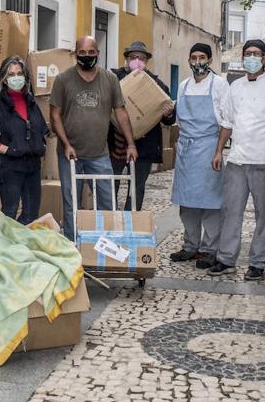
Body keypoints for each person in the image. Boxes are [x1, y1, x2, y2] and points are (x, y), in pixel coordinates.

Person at [50, 35, 138, 240]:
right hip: (70, 155)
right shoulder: (63, 80)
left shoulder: (110, 79)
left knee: (107, 203)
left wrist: (131, 144)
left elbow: (121, 112)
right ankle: (73, 244)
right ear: (75, 54)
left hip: (99, 154)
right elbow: (54, 115)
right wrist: (66, 144)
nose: (87, 56)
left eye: (91, 52)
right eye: (82, 52)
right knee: (72, 203)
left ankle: (108, 244)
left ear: (98, 53)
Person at [209, 39, 265, 281]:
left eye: (256, 54)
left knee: (264, 215)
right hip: (237, 161)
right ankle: (225, 259)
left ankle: (257, 263)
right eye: (248, 54)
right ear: (242, 58)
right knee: (231, 212)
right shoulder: (235, 87)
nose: (251, 58)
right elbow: (227, 122)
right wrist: (219, 151)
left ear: (264, 58)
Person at [168, 43, 231, 269]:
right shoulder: (183, 86)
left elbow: (227, 121)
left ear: (210, 60)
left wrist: (219, 151)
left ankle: (209, 249)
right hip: (186, 149)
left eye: (202, 57)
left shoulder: (220, 85)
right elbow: (178, 120)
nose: (197, 62)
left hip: (208, 148)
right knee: (187, 202)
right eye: (193, 57)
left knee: (211, 202)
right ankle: (190, 246)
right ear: (189, 60)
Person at [0, 56, 49, 223]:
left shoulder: (32, 104)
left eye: (19, 73)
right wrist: (7, 150)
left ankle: (21, 239)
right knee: (9, 213)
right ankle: (6, 239)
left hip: (33, 165)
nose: (16, 78)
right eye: (11, 74)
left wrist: (41, 145)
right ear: (4, 79)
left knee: (31, 214)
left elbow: (41, 130)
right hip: (10, 167)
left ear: (25, 76)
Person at [107, 41, 176, 210]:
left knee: (136, 189)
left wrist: (168, 113)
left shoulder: (157, 86)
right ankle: (110, 219)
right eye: (133, 57)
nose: (137, 61)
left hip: (144, 148)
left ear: (146, 61)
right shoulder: (113, 79)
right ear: (126, 59)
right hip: (115, 145)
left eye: (141, 58)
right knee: (110, 186)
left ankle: (130, 220)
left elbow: (169, 120)